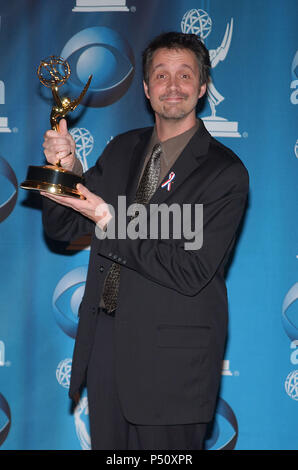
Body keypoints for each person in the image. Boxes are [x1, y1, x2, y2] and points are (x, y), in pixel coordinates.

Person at [41, 32, 249, 450]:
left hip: (172, 365)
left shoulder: (225, 173)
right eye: (161, 75)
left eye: (185, 75)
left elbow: (189, 271)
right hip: (106, 354)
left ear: (203, 87)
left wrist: (109, 221)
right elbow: (62, 229)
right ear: (146, 89)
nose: (173, 86)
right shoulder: (121, 149)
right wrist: (66, 171)